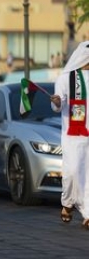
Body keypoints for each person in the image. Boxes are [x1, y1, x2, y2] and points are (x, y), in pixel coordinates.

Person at [51, 40, 89, 229]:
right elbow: (59, 104)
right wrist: (57, 102)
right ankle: (67, 202)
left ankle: (87, 213)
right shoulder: (66, 78)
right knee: (73, 172)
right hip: (74, 136)